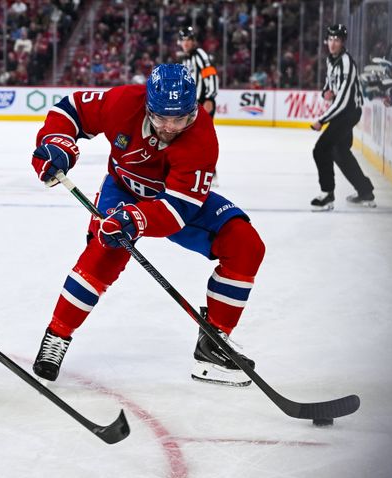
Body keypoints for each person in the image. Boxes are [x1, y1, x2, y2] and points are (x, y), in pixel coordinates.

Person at [30, 64, 265, 387]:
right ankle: (57, 336)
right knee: (104, 251)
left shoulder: (202, 139)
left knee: (245, 245)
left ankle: (213, 346)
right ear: (147, 107)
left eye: (180, 119)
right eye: (161, 118)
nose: (170, 127)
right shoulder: (123, 102)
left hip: (171, 202)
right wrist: (56, 142)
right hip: (122, 189)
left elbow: (178, 209)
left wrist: (137, 219)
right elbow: (71, 110)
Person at [310, 24, 375, 210]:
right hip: (343, 112)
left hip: (348, 112)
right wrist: (325, 93)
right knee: (340, 152)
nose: (332, 43)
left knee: (321, 149)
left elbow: (344, 100)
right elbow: (329, 84)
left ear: (343, 42)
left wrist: (322, 120)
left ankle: (327, 194)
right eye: (330, 39)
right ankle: (365, 191)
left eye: (337, 40)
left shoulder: (347, 63)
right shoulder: (331, 60)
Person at [178, 26, 220, 186]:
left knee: (203, 138)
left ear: (193, 41)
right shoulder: (185, 59)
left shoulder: (200, 54)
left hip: (204, 101)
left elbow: (211, 75)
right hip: (192, 104)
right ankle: (194, 172)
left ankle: (211, 173)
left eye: (188, 40)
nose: (186, 43)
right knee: (189, 138)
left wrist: (210, 97)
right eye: (183, 40)